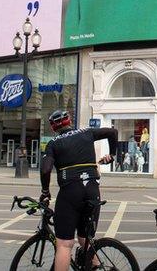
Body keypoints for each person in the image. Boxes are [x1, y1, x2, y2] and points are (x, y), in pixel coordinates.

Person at [39, 110, 117, 271]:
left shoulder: (53, 143)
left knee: (65, 244)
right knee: (85, 239)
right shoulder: (86, 132)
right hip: (92, 190)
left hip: (71, 192)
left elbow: (46, 170)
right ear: (69, 121)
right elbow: (112, 132)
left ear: (53, 127)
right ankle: (96, 267)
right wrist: (112, 154)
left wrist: (45, 192)